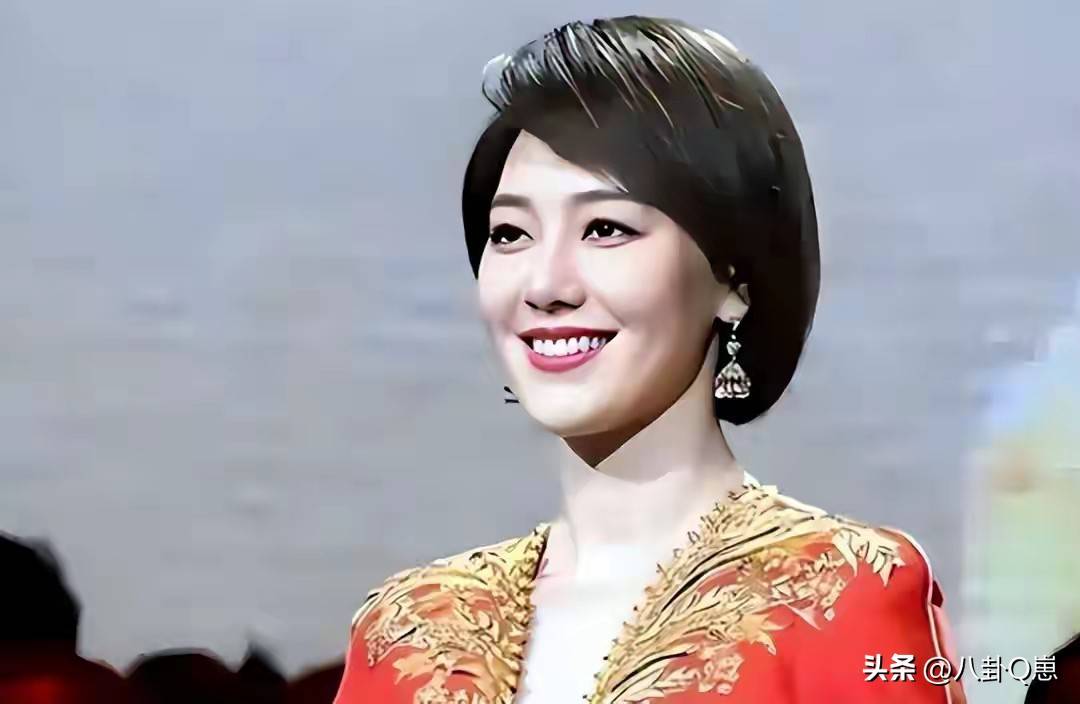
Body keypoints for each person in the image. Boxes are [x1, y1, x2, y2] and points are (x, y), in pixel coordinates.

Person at [333, 16, 966, 703]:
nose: (544, 286)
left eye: (605, 228)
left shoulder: (844, 593)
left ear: (734, 279)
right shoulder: (407, 627)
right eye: (510, 233)